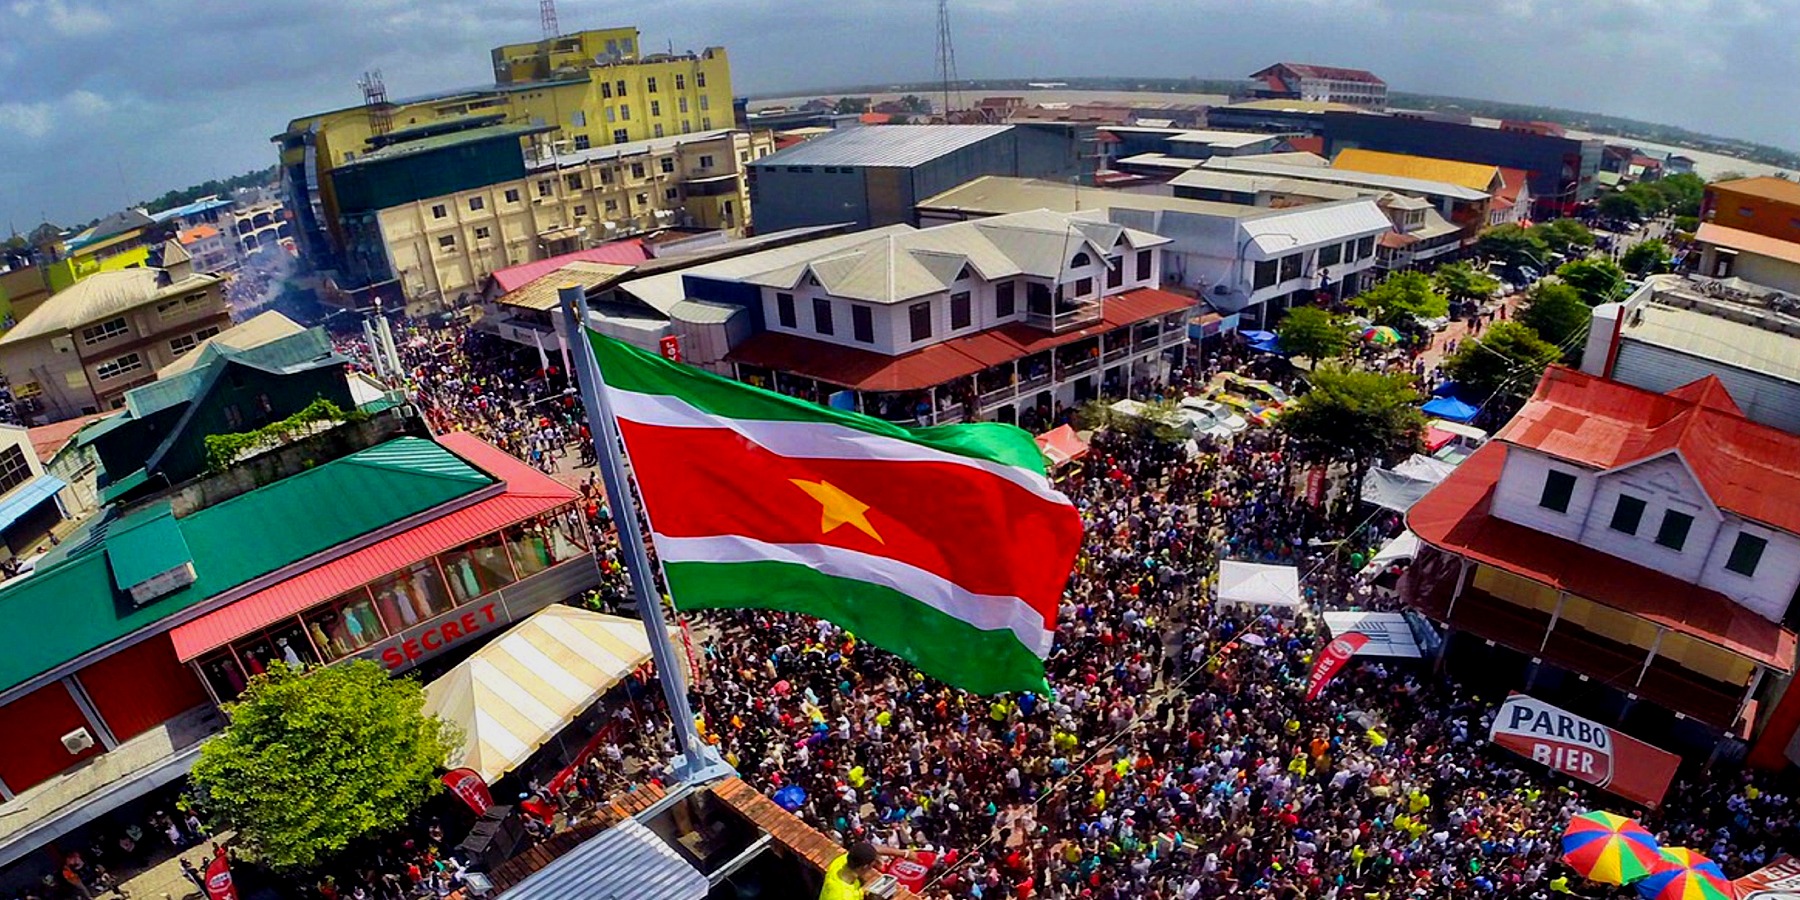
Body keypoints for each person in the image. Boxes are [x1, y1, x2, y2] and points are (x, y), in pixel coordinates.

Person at [820, 841, 912, 900]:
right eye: (873, 864)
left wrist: (904, 854)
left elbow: (871, 850)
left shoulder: (841, 862)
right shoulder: (843, 896)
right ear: (864, 867)